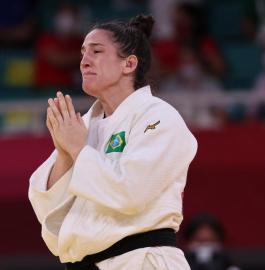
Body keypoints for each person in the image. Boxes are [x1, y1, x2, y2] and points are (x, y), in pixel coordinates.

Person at [28, 15, 198, 270]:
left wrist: (77, 149)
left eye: (96, 51)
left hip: (142, 261)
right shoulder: (84, 125)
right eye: (83, 52)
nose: (84, 61)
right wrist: (64, 154)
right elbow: (47, 212)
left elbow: (130, 192)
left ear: (128, 64)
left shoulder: (159, 117)